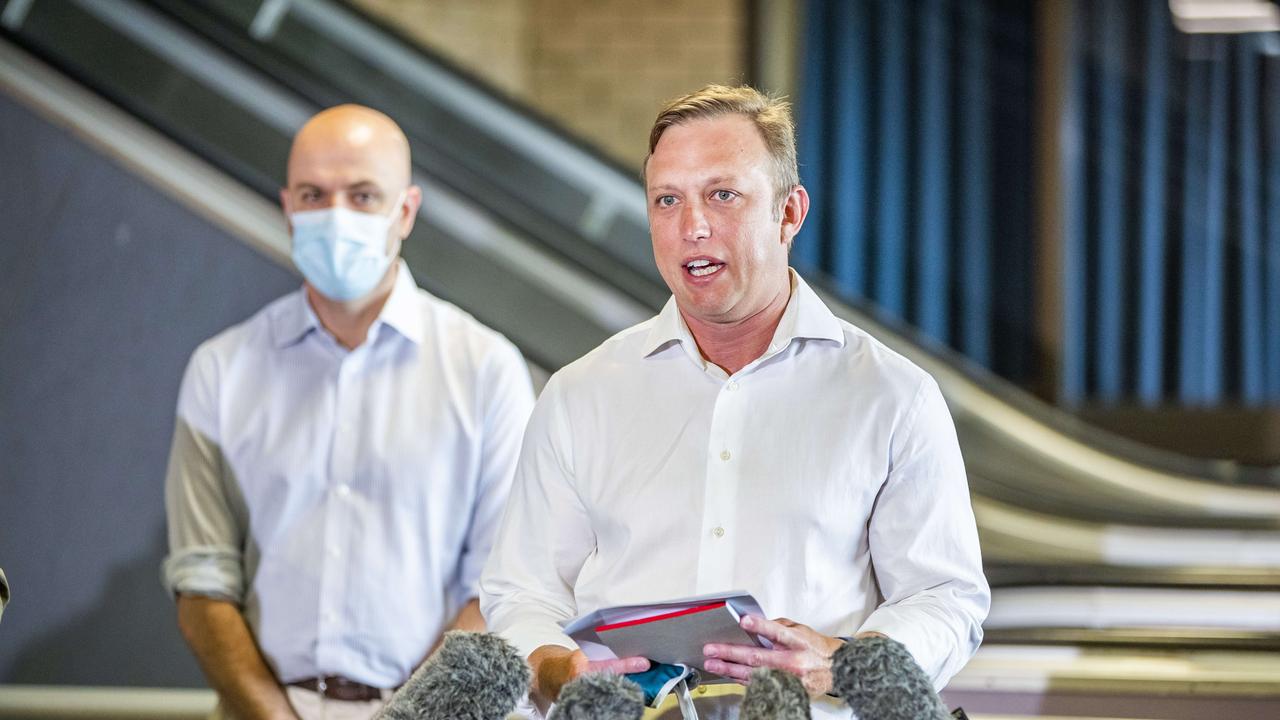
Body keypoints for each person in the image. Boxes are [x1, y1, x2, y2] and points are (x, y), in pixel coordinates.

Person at [480, 85, 989, 719]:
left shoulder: (892, 396)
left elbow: (945, 598)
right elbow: (523, 592)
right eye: (668, 200)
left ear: (789, 213)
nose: (692, 226)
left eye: (723, 195)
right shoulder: (580, 394)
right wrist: (563, 671)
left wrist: (840, 665)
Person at [164, 105, 535, 720]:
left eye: (363, 195)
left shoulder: (485, 369)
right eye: (314, 194)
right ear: (287, 207)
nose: (335, 216)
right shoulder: (221, 370)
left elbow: (499, 592)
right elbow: (202, 582)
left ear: (406, 211)